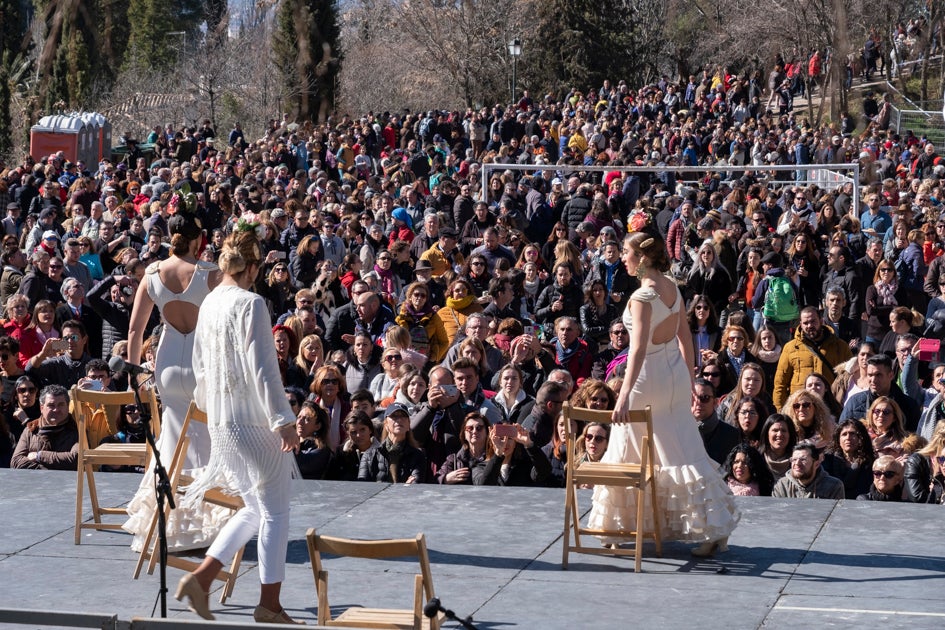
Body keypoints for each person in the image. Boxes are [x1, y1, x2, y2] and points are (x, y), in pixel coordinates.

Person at [175, 224, 301, 624]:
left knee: (253, 509)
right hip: (252, 422)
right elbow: (264, 369)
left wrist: (210, 408)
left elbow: (200, 366)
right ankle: (270, 604)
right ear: (252, 266)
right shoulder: (252, 303)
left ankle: (202, 577)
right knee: (276, 513)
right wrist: (284, 420)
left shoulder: (210, 302)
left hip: (222, 422)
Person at [588, 233, 739, 557]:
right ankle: (715, 526)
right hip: (673, 378)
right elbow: (686, 338)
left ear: (641, 258)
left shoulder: (642, 297)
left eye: (626, 253)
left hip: (648, 378)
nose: (623, 258)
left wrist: (625, 393)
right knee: (682, 450)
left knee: (626, 445)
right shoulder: (671, 286)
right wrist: (687, 380)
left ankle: (614, 526)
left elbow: (638, 349)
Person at [122, 209, 224, 552]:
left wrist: (133, 376)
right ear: (198, 239)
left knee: (173, 436)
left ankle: (165, 520)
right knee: (204, 438)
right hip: (200, 361)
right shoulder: (210, 274)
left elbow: (135, 330)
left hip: (166, 363)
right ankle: (202, 525)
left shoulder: (152, 273)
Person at [10, 384, 78, 470]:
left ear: (68, 407)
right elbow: (16, 462)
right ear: (42, 408)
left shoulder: (77, 430)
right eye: (51, 405)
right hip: (34, 481)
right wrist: (44, 470)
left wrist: (39, 456)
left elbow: (76, 459)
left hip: (68, 482)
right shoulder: (31, 429)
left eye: (61, 405)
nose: (56, 410)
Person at [358, 402, 426, 483]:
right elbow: (362, 487)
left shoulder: (418, 456)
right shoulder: (369, 455)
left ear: (408, 424)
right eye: (394, 416)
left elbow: (415, 484)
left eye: (403, 416)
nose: (399, 419)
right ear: (386, 424)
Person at [436, 412, 494, 485]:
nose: (474, 431)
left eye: (479, 428)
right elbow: (435, 480)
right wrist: (445, 479)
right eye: (470, 428)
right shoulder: (454, 459)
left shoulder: (494, 458)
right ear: (464, 434)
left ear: (487, 432)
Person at [771, 442, 845, 499]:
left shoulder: (833, 486)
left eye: (803, 459)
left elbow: (835, 516)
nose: (797, 463)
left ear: (816, 464)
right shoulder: (782, 485)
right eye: (794, 459)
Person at [759, 413, 798, 478]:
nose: (779, 434)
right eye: (775, 430)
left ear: (790, 435)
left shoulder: (797, 461)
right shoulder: (756, 459)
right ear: (767, 434)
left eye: (784, 431)